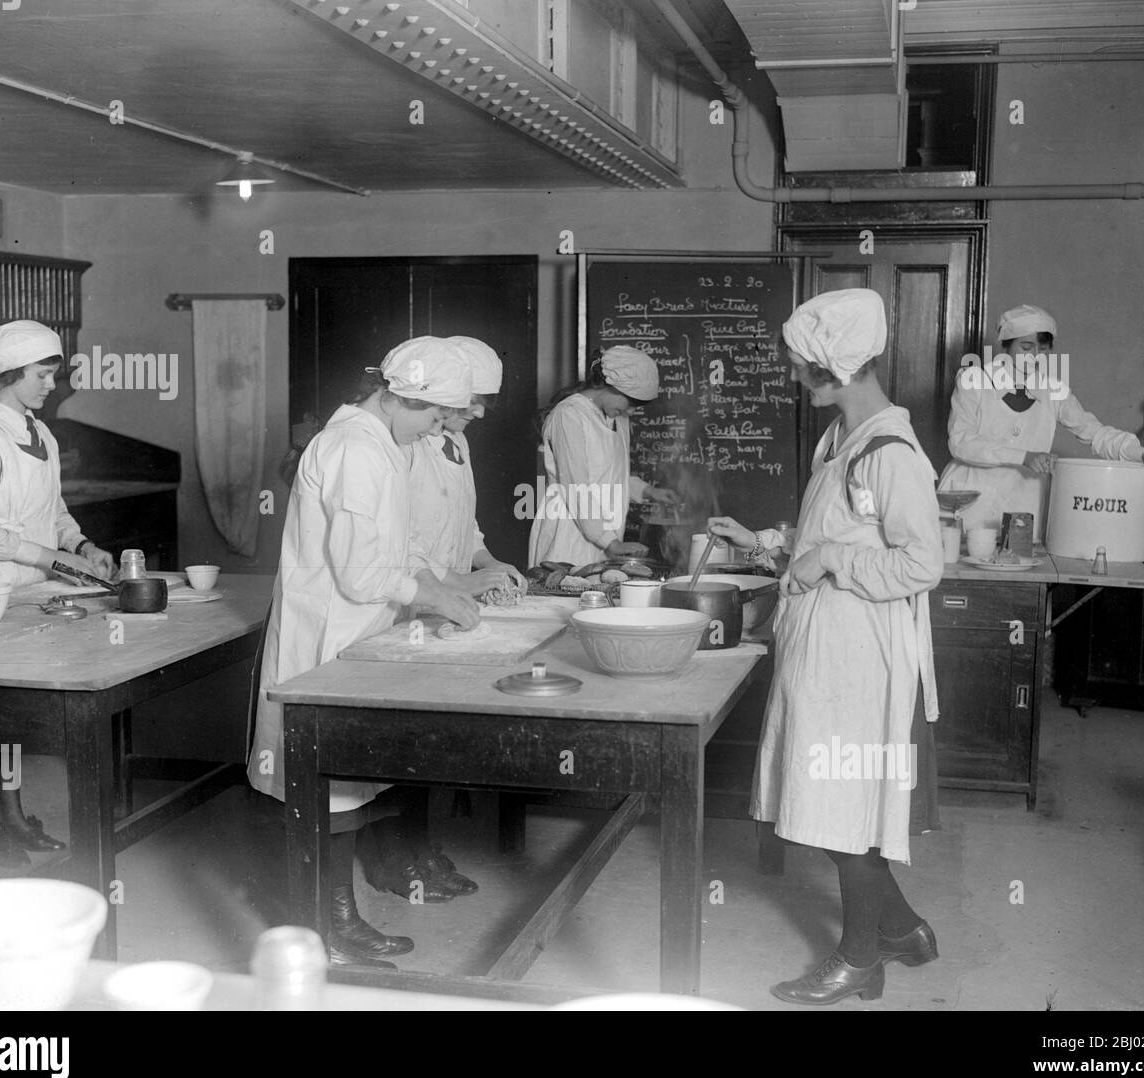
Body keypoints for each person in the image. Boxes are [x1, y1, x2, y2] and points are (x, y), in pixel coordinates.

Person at [708, 288, 943, 1005]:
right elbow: (832, 532)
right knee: (832, 797)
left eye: (799, 365)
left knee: (844, 804)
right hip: (824, 640)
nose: (790, 376)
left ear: (834, 365)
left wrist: (833, 563)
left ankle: (860, 958)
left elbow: (920, 565)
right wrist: (771, 545)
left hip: (861, 654)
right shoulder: (839, 439)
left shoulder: (890, 452)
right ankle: (903, 931)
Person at [246, 336, 481, 968]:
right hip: (328, 637)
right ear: (401, 398)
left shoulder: (384, 444)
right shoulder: (354, 448)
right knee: (331, 789)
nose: (439, 429)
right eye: (434, 416)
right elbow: (358, 571)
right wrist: (425, 598)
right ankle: (329, 927)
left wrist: (438, 590)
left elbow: (396, 547)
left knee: (347, 783)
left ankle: (337, 919)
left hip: (356, 632)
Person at [0, 320, 116, 867]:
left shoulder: (41, 433)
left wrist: (81, 546)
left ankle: (12, 818)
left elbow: (52, 510)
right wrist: (51, 559)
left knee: (12, 712)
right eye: (43, 375)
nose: (51, 385)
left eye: (52, 374)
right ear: (12, 374)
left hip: (28, 582)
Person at [361, 335, 525, 903]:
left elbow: (465, 524)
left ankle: (418, 847)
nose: (478, 412)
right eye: (471, 401)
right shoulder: (407, 442)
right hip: (408, 600)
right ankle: (391, 858)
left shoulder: (455, 443)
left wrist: (489, 562)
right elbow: (402, 540)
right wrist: (454, 584)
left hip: (442, 601)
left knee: (424, 737)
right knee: (393, 740)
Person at [939, 304, 1144, 539]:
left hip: (1023, 500)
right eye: (1026, 347)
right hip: (970, 497)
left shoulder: (1053, 390)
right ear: (1006, 346)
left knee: (1020, 565)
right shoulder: (974, 381)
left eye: (1042, 348)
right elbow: (961, 442)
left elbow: (1095, 433)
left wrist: (1142, 454)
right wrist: (1024, 456)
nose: (1034, 357)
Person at [527, 345, 679, 569]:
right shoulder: (569, 415)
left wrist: (648, 491)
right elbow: (576, 484)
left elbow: (611, 474)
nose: (632, 411)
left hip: (605, 539)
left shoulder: (618, 419)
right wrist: (610, 542)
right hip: (568, 538)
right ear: (614, 387)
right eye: (631, 403)